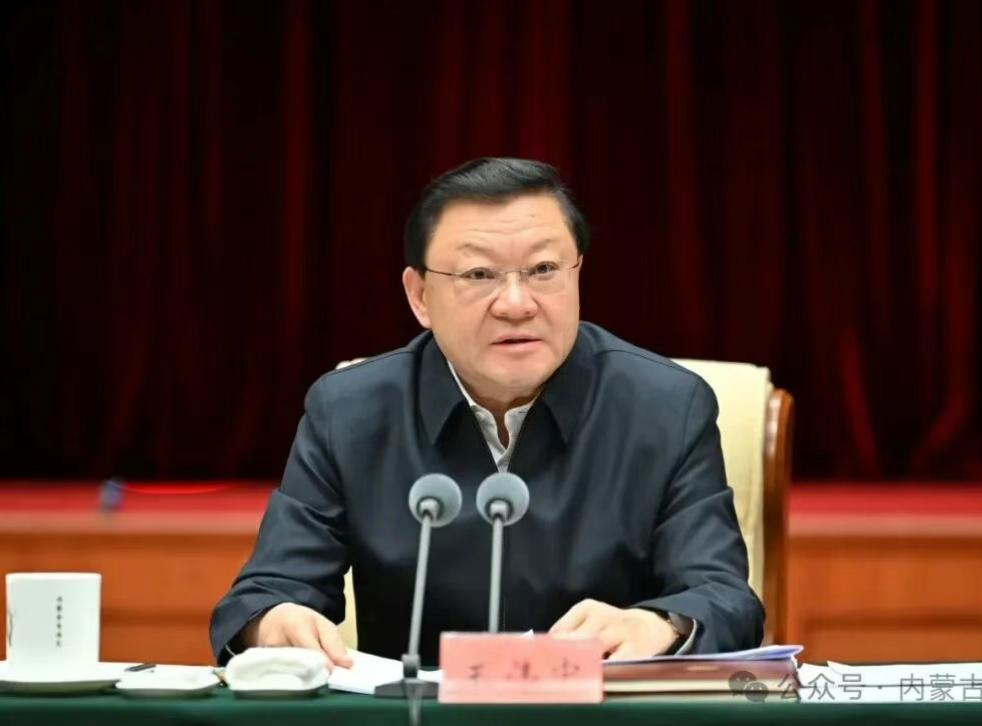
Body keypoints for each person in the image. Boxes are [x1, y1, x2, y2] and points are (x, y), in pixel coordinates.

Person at [209, 157, 764, 668]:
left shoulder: (667, 407)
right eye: (479, 275)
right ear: (420, 296)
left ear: (577, 274)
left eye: (543, 269)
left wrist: (658, 624)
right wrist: (273, 622)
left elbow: (724, 599)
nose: (517, 303)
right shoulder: (349, 412)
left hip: (601, 719)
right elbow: (264, 594)